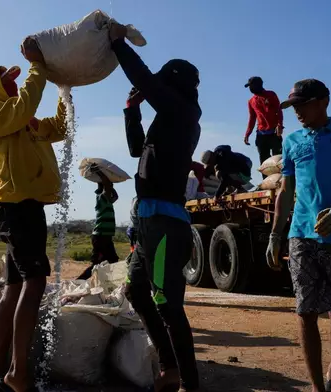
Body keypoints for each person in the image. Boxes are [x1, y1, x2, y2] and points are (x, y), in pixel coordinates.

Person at [110, 22, 200, 392]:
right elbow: (136, 151)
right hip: (147, 223)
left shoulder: (182, 112)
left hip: (166, 221)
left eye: (164, 83)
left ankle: (188, 383)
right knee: (136, 291)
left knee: (166, 301)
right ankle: (170, 367)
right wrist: (132, 111)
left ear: (175, 84)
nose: (155, 89)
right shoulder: (167, 119)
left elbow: (147, 80)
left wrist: (118, 44)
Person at [266, 79, 331, 392]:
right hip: (301, 236)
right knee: (305, 310)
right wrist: (275, 234)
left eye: (303, 104)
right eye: (294, 105)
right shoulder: (292, 140)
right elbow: (286, 191)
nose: (297, 111)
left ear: (324, 101)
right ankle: (316, 388)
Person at [0, 37, 66, 392]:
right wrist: (36, 65)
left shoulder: (26, 121)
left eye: (16, 79)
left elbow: (58, 128)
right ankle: (18, 371)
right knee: (35, 280)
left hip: (27, 208)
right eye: (8, 80)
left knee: (14, 286)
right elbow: (28, 98)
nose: (15, 84)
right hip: (16, 210)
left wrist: (65, 91)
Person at [77, 167, 120, 280]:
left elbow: (116, 196)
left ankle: (103, 282)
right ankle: (79, 282)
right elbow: (107, 186)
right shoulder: (102, 197)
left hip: (105, 236)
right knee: (97, 263)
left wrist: (109, 183)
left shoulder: (107, 199)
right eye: (109, 186)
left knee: (112, 260)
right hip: (101, 237)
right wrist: (99, 173)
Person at [243, 76, 284, 173]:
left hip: (274, 132)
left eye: (252, 86)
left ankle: (281, 180)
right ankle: (266, 180)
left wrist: (280, 125)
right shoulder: (251, 101)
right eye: (249, 86)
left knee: (278, 158)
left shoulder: (271, 95)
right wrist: (247, 133)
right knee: (263, 160)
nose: (250, 88)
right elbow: (252, 118)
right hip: (261, 133)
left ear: (259, 85)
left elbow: (279, 111)